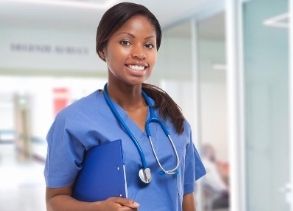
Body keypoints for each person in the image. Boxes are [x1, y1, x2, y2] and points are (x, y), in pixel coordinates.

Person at [44, 2, 206, 211]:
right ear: (103, 49)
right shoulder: (73, 121)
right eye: (126, 42)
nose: (139, 53)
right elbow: (54, 201)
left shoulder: (174, 120)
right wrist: (99, 209)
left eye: (148, 45)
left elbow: (187, 195)